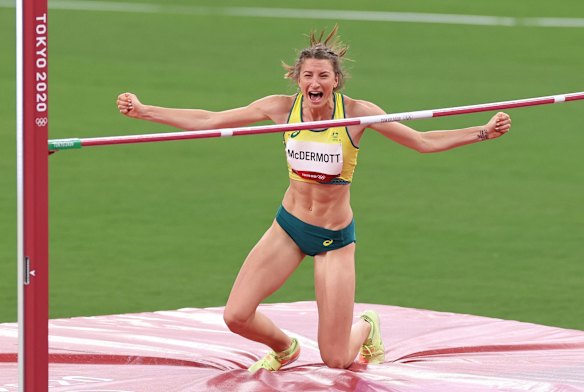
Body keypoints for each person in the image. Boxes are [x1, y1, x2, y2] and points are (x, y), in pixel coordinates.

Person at [116, 25, 511, 372]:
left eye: (324, 75)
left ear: (336, 80)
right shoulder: (279, 108)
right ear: (298, 79)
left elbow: (422, 141)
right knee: (236, 316)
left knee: (336, 359)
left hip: (334, 240)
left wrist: (481, 132)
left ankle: (367, 327)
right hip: (288, 228)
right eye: (308, 75)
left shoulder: (358, 114)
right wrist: (145, 111)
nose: (315, 82)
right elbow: (208, 120)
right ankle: (285, 348)